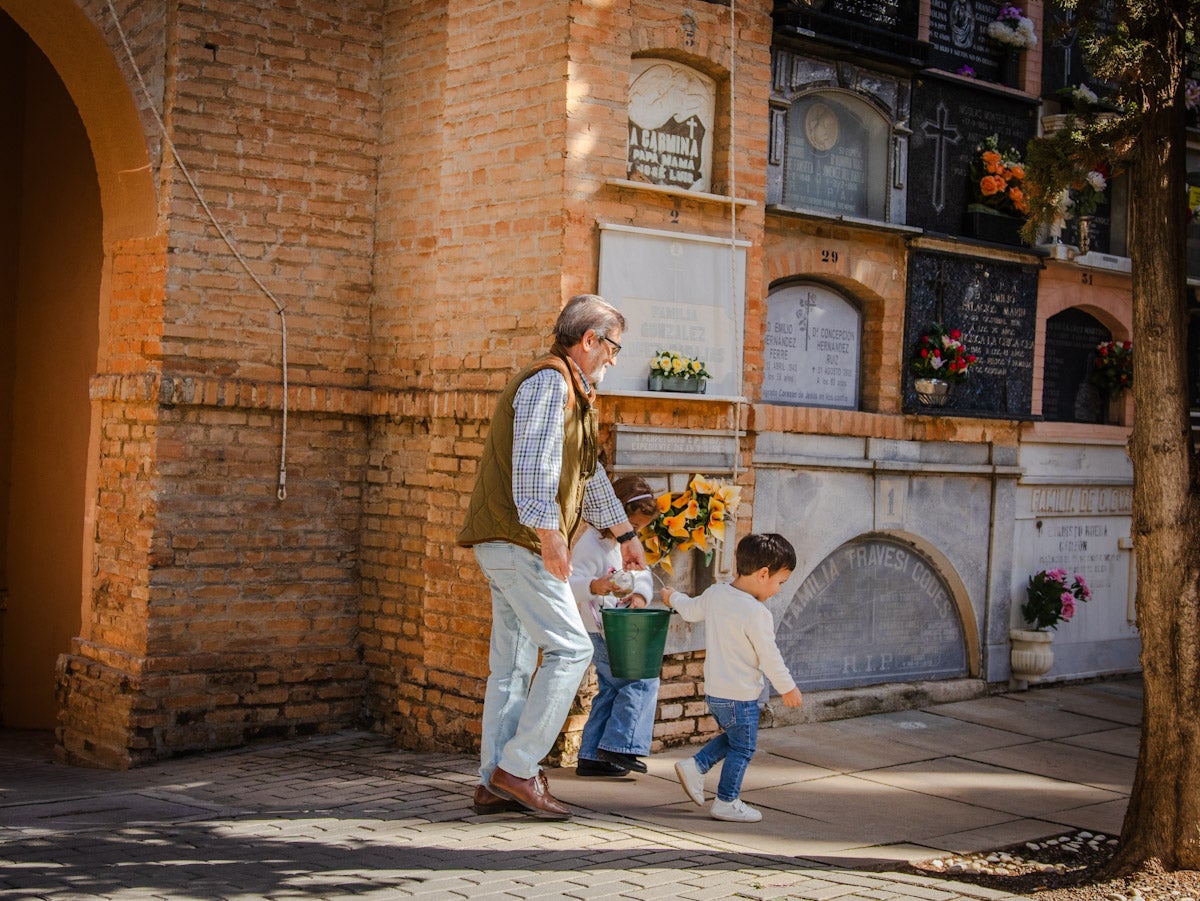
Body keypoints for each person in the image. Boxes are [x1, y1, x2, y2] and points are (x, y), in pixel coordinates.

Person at [457, 293, 647, 820]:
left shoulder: (573, 389)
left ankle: (493, 783)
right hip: (522, 542)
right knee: (570, 651)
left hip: (510, 541)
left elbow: (587, 478)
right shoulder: (549, 382)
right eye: (612, 346)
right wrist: (550, 535)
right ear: (589, 340)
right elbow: (533, 466)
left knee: (513, 668)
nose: (614, 357)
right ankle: (517, 769)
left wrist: (625, 532)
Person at [662, 532, 803, 823]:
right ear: (763, 574)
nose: (779, 589)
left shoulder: (715, 594)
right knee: (744, 747)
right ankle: (726, 800)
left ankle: (695, 766)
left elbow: (688, 611)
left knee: (736, 739)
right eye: (780, 582)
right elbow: (770, 657)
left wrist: (671, 596)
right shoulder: (756, 613)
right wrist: (787, 687)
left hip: (716, 694)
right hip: (741, 696)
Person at [569, 475, 660, 778]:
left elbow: (643, 576)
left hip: (620, 628)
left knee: (610, 688)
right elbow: (571, 584)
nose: (634, 534)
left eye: (639, 530)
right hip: (599, 628)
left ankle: (592, 756)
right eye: (633, 526)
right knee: (638, 680)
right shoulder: (590, 544)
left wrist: (638, 595)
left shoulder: (626, 543)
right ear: (617, 513)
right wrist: (596, 584)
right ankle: (621, 745)